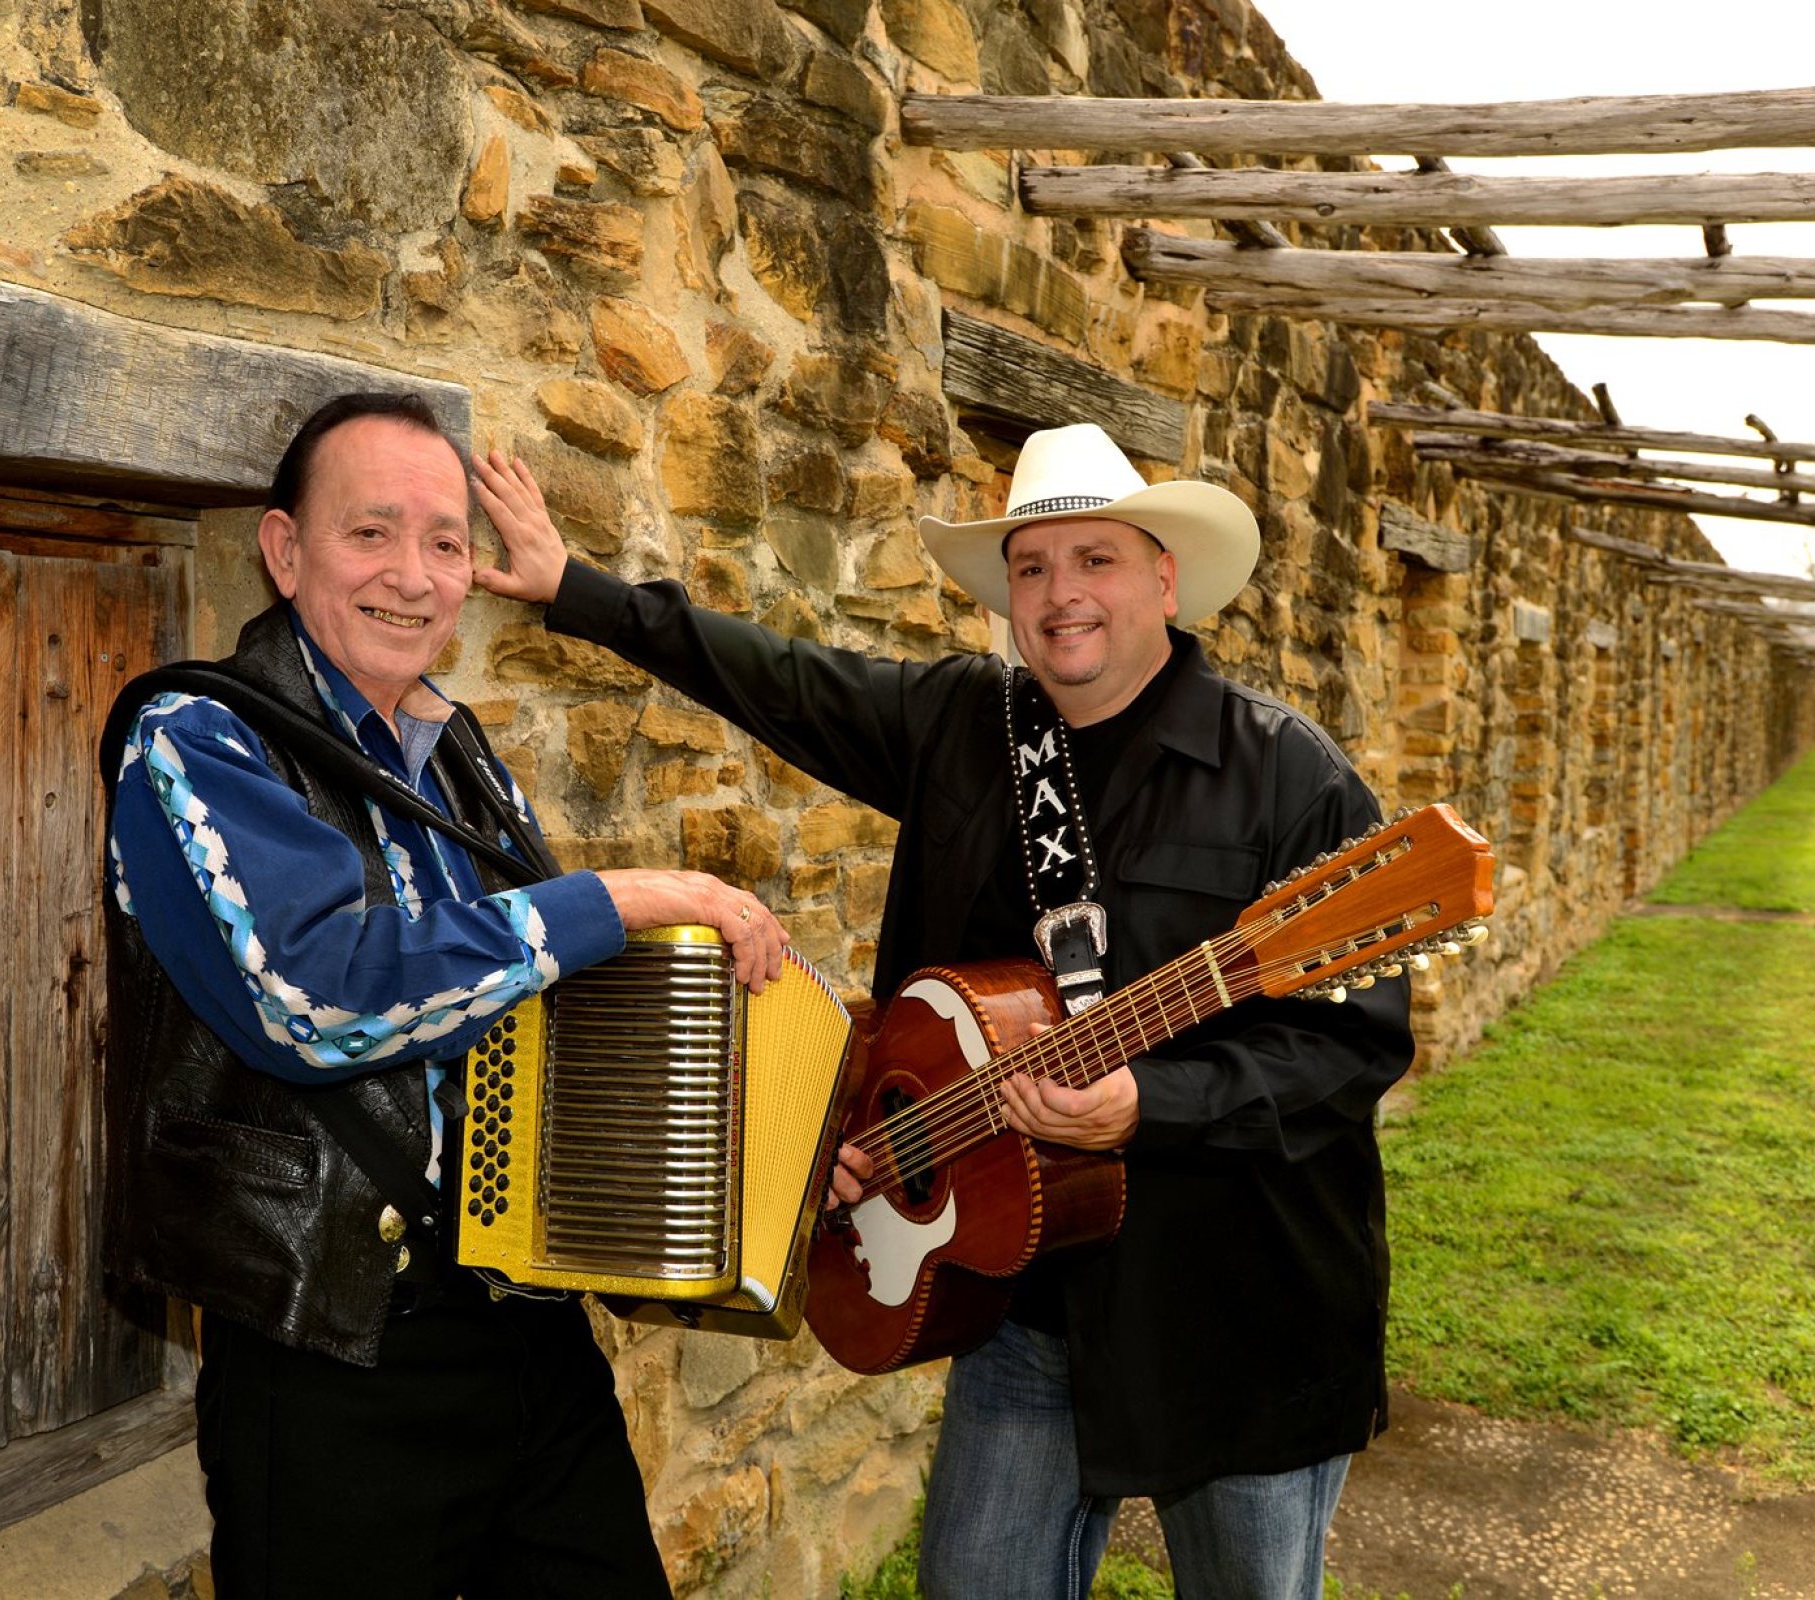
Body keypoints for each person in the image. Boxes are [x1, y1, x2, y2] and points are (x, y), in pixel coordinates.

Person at [473, 422, 1415, 1600]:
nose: (1061, 594)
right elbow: (774, 678)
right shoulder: (967, 726)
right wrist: (576, 590)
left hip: (1235, 1308)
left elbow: (1354, 1045)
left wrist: (1147, 1105)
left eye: (1096, 560)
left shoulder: (1292, 777)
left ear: (1165, 579)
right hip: (1019, 1293)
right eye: (1032, 567)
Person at [101, 392, 790, 1598]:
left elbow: (535, 1013)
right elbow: (316, 999)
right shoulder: (197, 736)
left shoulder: (462, 754)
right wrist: (610, 897)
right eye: (370, 534)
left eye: (445, 542)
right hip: (332, 1354)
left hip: (526, 1333)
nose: (412, 577)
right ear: (284, 549)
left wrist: (757, 1145)